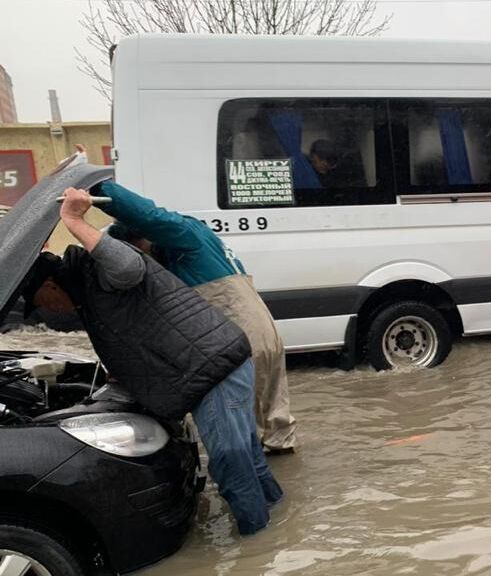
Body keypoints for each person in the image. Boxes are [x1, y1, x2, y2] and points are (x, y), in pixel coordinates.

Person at [23, 187, 282, 535]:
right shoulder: (88, 292)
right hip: (213, 364)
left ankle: (258, 549)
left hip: (214, 369)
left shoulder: (95, 268)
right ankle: (279, 528)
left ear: (51, 284)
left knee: (231, 467)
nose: (46, 310)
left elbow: (128, 267)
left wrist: (73, 220)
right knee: (247, 459)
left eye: (39, 300)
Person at [89, 180, 298, 455]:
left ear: (142, 239)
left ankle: (260, 485)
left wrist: (98, 189)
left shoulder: (185, 235)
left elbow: (146, 214)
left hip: (242, 343)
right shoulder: (200, 248)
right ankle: (284, 479)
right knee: (276, 427)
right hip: (266, 335)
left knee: (237, 436)